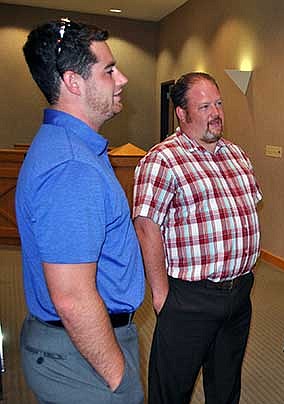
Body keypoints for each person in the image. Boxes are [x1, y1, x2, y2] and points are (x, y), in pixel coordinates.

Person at [16, 19, 145, 403]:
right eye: (108, 70)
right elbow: (72, 298)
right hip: (84, 355)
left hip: (76, 345)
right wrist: (119, 379)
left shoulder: (71, 146)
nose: (121, 79)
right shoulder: (72, 166)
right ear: (74, 82)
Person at [133, 72, 262, 404]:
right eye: (204, 106)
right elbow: (147, 226)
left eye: (218, 103)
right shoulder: (162, 159)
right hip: (189, 299)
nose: (215, 113)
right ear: (182, 112)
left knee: (225, 386)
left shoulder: (237, 155)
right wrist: (162, 296)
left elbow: (246, 213)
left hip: (238, 294)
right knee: (172, 391)